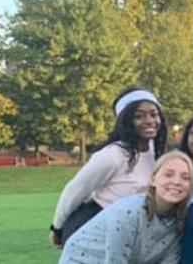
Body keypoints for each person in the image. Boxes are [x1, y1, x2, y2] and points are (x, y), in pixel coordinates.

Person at [50, 87, 168, 246]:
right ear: (126, 121)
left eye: (154, 114)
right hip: (99, 231)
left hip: (135, 235)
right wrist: (57, 228)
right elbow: (76, 190)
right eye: (138, 116)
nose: (149, 121)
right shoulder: (112, 156)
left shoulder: (158, 154)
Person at [59, 151, 193, 264]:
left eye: (185, 177)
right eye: (168, 174)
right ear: (153, 180)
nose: (176, 182)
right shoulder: (128, 213)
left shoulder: (181, 221)